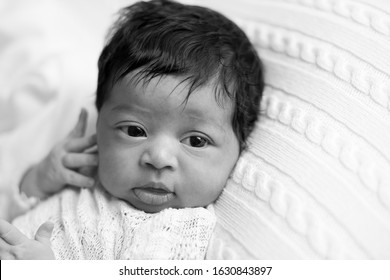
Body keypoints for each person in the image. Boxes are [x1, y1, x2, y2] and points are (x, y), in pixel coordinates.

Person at [0, 0, 263, 259]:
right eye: (135, 131)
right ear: (100, 121)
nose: (159, 158)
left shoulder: (177, 233)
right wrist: (37, 181)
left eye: (195, 140)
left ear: (240, 145)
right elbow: (11, 215)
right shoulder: (84, 172)